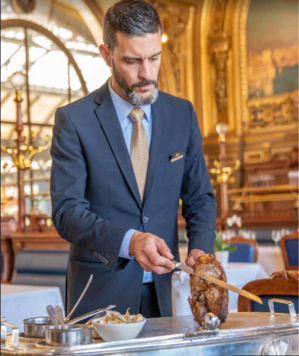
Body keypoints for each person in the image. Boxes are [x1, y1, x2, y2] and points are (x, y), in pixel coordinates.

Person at [50, 0, 216, 319]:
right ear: (106, 55)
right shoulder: (74, 120)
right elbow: (66, 211)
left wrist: (200, 248)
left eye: (154, 58)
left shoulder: (182, 114)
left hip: (163, 296)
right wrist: (130, 240)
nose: (146, 74)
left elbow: (200, 198)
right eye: (132, 61)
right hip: (98, 297)